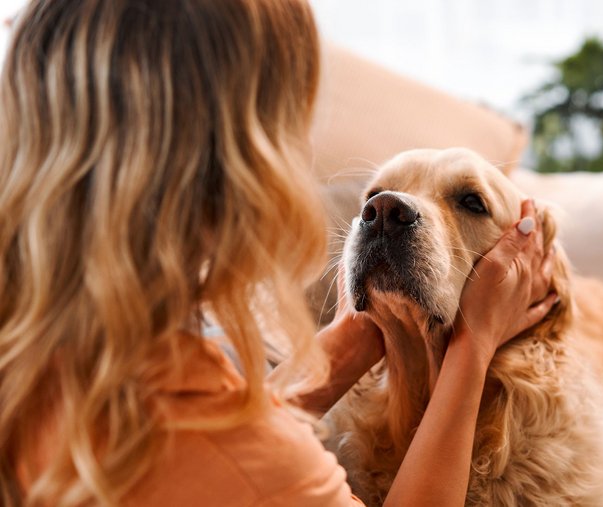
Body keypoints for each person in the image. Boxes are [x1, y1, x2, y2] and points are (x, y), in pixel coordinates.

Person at [0, 1, 555, 506]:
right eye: (291, 124)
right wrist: (472, 347)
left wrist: (350, 341)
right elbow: (235, 456)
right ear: (245, 166)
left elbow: (221, 433)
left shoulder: (43, 353)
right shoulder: (268, 473)